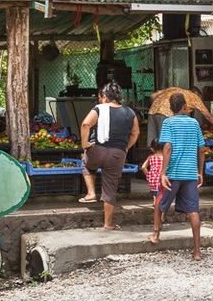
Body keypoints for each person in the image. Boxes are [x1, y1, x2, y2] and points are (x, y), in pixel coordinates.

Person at [148, 92, 205, 261]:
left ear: (171, 107)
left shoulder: (168, 122)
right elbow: (201, 149)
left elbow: (167, 148)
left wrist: (163, 172)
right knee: (193, 212)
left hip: (173, 173)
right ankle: (197, 251)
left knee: (159, 202)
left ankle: (156, 235)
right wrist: (200, 171)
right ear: (184, 106)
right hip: (190, 173)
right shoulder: (194, 123)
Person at [78, 80, 140, 231]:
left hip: (97, 150)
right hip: (117, 154)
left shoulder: (99, 109)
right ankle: (108, 224)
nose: (100, 100)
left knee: (86, 164)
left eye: (100, 97)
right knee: (110, 187)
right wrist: (126, 147)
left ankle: (91, 193)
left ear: (105, 96)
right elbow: (135, 133)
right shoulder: (130, 112)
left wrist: (85, 144)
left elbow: (86, 124)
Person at [147, 86, 213, 145]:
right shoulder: (194, 97)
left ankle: (153, 165)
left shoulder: (174, 89)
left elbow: (153, 96)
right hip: (167, 115)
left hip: (152, 112)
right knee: (165, 143)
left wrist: (157, 106)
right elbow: (208, 116)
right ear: (197, 94)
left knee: (153, 142)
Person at [140, 138, 164, 205]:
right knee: (161, 193)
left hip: (153, 180)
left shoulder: (151, 157)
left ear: (152, 148)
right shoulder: (165, 157)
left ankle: (155, 202)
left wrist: (149, 175)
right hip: (162, 180)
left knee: (155, 193)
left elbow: (143, 167)